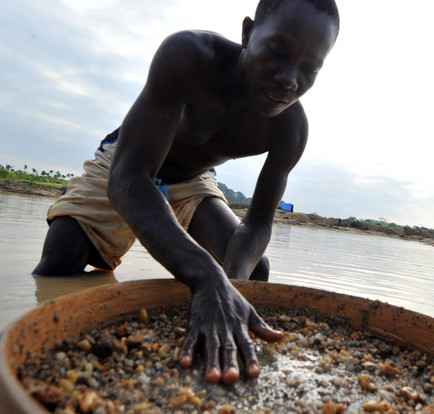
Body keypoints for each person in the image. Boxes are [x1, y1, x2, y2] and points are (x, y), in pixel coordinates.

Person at [33, 0, 339, 385]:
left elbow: (258, 223)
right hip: (131, 159)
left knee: (252, 270)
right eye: (277, 52)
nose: (290, 80)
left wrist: (226, 285)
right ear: (248, 34)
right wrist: (205, 276)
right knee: (60, 260)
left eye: (310, 68)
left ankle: (214, 343)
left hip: (194, 178)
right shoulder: (190, 56)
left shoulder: (290, 128)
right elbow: (128, 179)